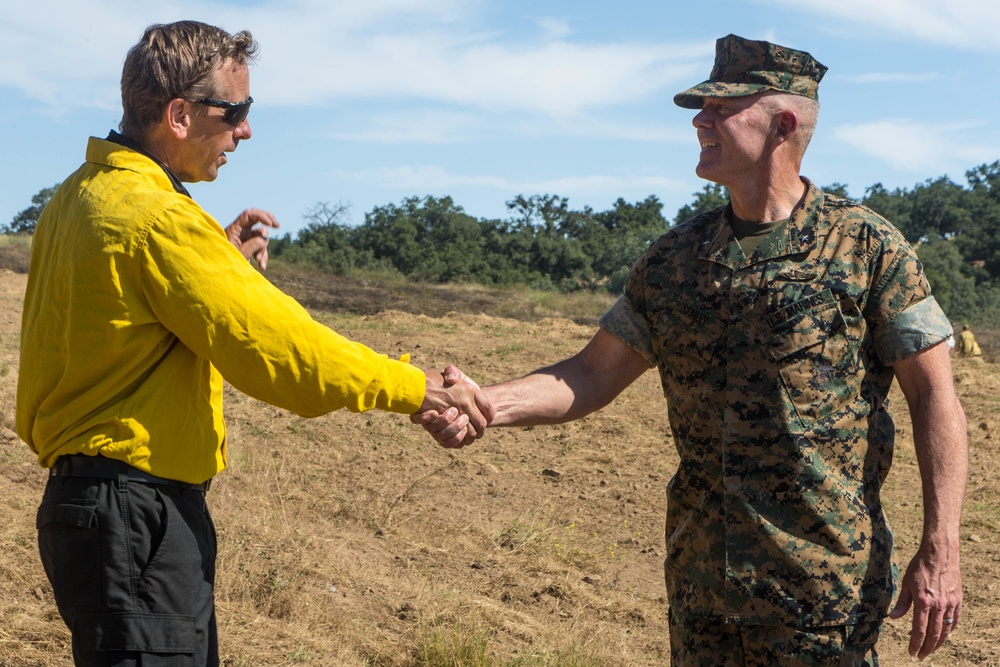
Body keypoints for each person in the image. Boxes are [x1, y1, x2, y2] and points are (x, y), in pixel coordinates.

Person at [417, 34, 967, 666]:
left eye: (721, 107)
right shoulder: (675, 259)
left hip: (821, 597)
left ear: (782, 124)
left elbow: (934, 397)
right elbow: (590, 374)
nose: (700, 121)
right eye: (699, 108)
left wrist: (940, 550)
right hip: (703, 590)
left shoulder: (868, 249)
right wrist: (487, 403)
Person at [16, 21, 490, 667]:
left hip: (100, 507)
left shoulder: (83, 195)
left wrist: (223, 260)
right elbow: (279, 351)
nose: (244, 130)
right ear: (179, 114)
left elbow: (144, 315)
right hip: (136, 511)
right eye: (234, 111)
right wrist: (415, 387)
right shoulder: (158, 219)